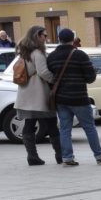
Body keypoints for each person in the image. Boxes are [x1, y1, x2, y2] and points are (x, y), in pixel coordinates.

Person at [47, 27, 101, 166]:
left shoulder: (51, 56)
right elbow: (90, 78)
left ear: (59, 39)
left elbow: (50, 78)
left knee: (65, 129)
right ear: (72, 39)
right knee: (89, 127)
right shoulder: (80, 55)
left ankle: (67, 157)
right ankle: (99, 155)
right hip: (79, 98)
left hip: (61, 99)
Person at [13, 25, 60, 166]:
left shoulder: (24, 52)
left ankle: (32, 156)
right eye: (44, 36)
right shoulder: (38, 53)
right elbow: (43, 72)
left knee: (29, 124)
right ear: (36, 36)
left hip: (25, 93)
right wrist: (55, 81)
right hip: (39, 93)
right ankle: (61, 155)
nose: (46, 38)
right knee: (52, 124)